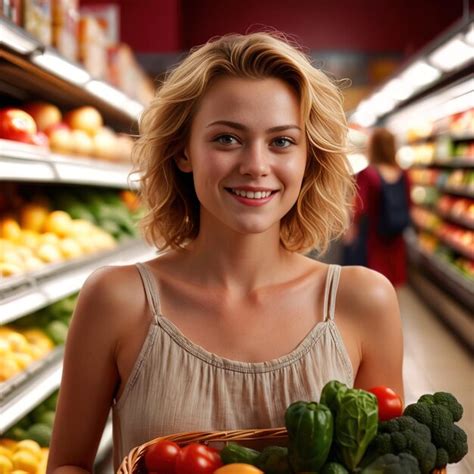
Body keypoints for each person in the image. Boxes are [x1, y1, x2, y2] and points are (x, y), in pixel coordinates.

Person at [46, 33, 404, 473]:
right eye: (227, 139)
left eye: (282, 141)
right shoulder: (117, 299)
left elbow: (387, 461)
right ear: (183, 151)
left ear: (309, 157)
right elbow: (68, 466)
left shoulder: (362, 301)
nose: (255, 165)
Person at [343, 128, 411, 287]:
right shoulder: (403, 174)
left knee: (375, 280)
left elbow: (359, 207)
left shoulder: (369, 174)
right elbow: (409, 203)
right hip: (396, 238)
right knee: (392, 281)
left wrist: (351, 228)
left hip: (374, 238)